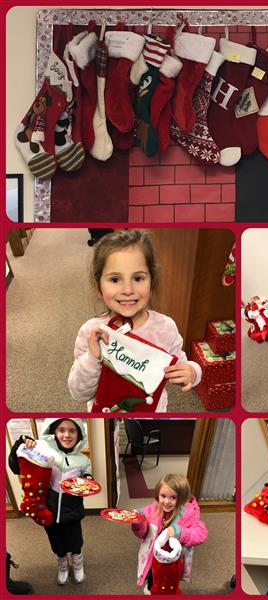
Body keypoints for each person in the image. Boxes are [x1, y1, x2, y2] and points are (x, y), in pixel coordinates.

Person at [68, 229, 202, 412]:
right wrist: (93, 357)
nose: (128, 289)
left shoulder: (165, 328)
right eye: (115, 279)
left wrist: (192, 372)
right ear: (98, 286)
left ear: (152, 282)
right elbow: (79, 393)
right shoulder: (91, 332)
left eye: (138, 278)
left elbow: (182, 365)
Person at [8, 419, 92, 585]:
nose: (67, 435)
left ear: (79, 434)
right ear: (53, 432)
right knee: (56, 542)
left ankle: (77, 562)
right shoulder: (41, 450)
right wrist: (20, 443)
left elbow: (88, 478)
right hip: (48, 509)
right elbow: (17, 467)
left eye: (72, 430)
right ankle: (62, 565)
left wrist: (88, 479)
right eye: (61, 430)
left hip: (72, 509)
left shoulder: (83, 460)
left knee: (75, 541)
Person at [131, 474, 208, 593]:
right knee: (152, 576)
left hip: (173, 560)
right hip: (154, 556)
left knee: (169, 582)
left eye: (173, 497)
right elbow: (142, 532)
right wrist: (137, 521)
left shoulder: (188, 513)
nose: (167, 501)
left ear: (182, 498)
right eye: (163, 496)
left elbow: (201, 533)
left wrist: (179, 532)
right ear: (158, 495)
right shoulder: (154, 508)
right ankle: (150, 589)